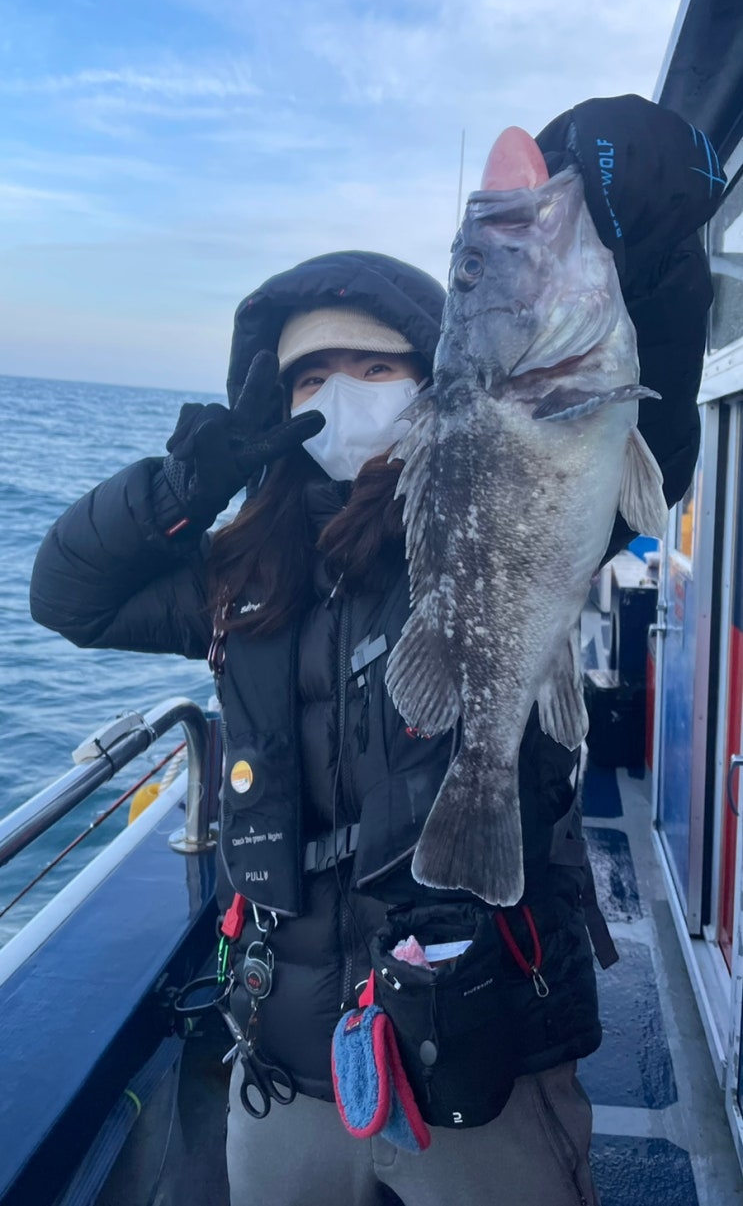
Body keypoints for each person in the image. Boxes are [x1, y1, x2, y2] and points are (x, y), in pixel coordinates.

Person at [30, 95, 725, 1206]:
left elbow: (657, 443)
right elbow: (67, 595)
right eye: (309, 378)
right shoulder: (238, 573)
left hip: (482, 1051)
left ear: (432, 376)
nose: (338, 394)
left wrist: (662, 259)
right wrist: (178, 489)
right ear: (274, 405)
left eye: (370, 365)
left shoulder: (478, 492)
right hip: (287, 1061)